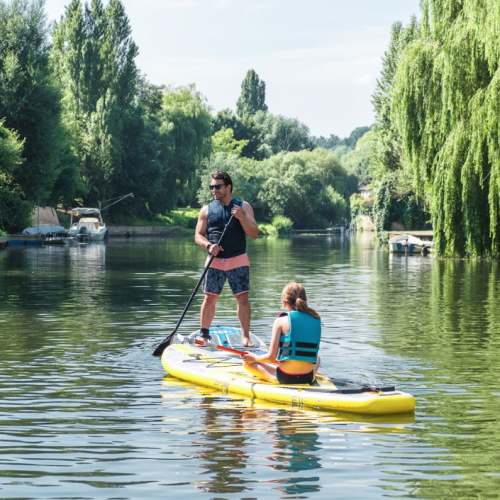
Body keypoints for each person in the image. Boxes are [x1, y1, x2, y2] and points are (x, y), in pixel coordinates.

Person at [195, 171, 259, 347]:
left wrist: (241, 218)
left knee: (243, 299)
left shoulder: (243, 206)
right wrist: (209, 246)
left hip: (237, 258)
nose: (214, 190)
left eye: (217, 186)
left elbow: (254, 233)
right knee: (209, 298)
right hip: (214, 259)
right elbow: (198, 236)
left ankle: (245, 337)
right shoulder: (206, 210)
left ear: (228, 187)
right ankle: (204, 335)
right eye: (212, 187)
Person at [242, 282, 321, 384]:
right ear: (305, 301)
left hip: (285, 377)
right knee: (317, 358)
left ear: (284, 302)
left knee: (246, 363)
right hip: (307, 377)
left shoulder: (280, 321)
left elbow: (271, 358)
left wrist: (254, 358)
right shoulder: (316, 320)